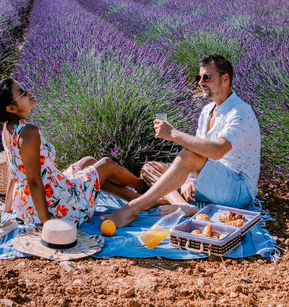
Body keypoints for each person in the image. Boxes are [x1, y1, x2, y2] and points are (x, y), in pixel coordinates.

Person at [101, 54, 261, 228]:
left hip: (237, 188)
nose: (200, 82)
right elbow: (201, 154)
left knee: (188, 155)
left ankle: (133, 208)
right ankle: (183, 206)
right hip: (208, 183)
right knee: (150, 167)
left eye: (206, 77)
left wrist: (174, 134)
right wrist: (187, 181)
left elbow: (217, 151)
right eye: (198, 77)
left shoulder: (240, 111)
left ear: (225, 79)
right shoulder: (207, 111)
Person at [0, 78, 148, 226]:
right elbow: (33, 182)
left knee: (88, 162)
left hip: (30, 204)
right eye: (22, 91)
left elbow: (15, 170)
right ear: (11, 109)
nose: (28, 91)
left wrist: (9, 206)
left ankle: (135, 198)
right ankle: (143, 189)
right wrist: (49, 224)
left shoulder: (9, 128)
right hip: (56, 207)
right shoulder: (28, 133)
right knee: (106, 164)